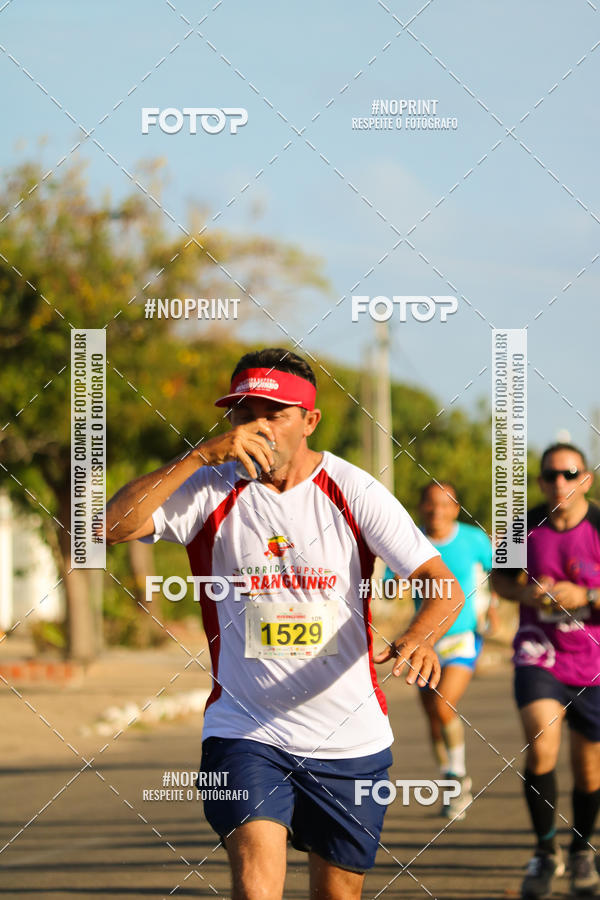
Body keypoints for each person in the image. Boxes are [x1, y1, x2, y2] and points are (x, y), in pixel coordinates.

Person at [105, 347, 465, 900]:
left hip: (348, 734)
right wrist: (199, 456)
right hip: (245, 730)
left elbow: (441, 583)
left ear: (309, 421)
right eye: (244, 412)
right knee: (256, 885)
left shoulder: (354, 489)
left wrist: (417, 638)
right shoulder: (209, 488)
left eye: (274, 413)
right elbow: (109, 527)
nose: (256, 427)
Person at [492, 443, 600, 899]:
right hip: (540, 654)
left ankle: (580, 851)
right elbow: (499, 579)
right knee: (542, 745)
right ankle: (544, 850)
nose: (560, 482)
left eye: (569, 473)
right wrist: (527, 595)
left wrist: (587, 597)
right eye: (551, 475)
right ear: (540, 482)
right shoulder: (522, 526)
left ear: (585, 480)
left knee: (589, 770)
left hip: (593, 661)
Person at [385, 481, 496, 820]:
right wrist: (397, 583)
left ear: (456, 508)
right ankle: (451, 784)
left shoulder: (474, 539)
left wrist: (492, 608)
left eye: (445, 504)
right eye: (430, 504)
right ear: (420, 508)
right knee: (433, 717)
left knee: (444, 705)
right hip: (425, 640)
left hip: (463, 636)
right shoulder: (410, 539)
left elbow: (500, 573)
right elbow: (390, 586)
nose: (437, 511)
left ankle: (458, 777)